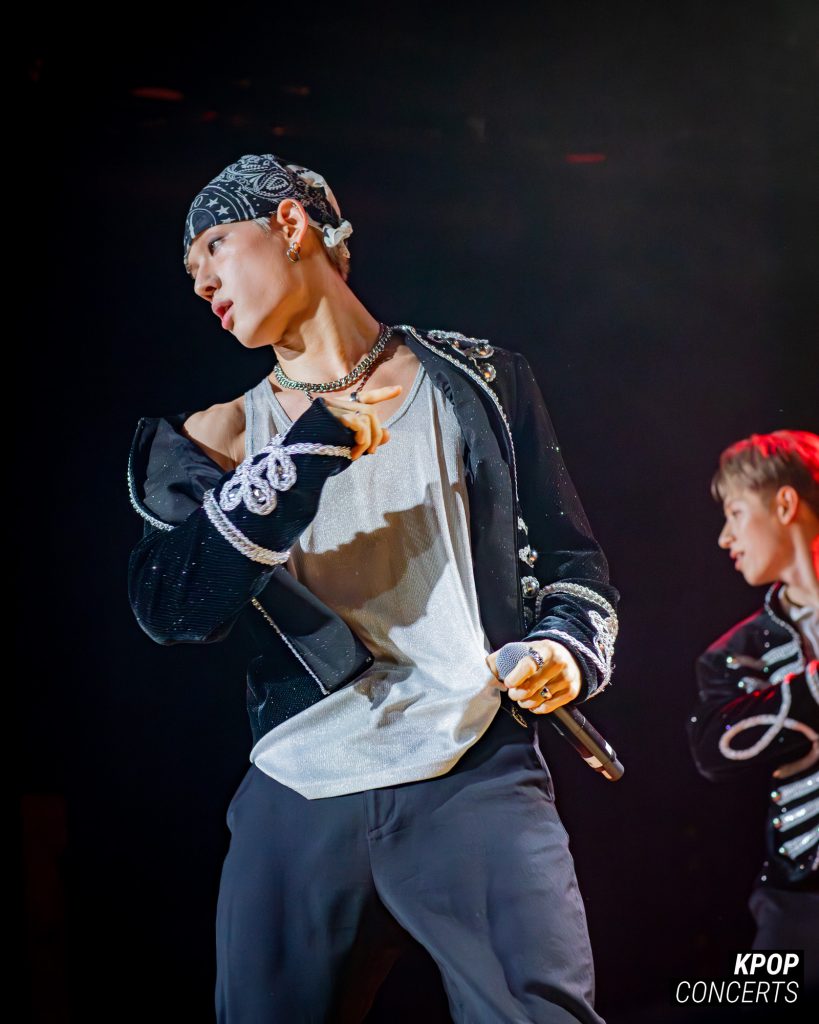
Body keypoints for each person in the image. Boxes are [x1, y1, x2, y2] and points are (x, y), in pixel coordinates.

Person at [126, 153, 620, 1023]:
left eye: (213, 246)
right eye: (191, 270)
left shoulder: (480, 381)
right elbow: (170, 607)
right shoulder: (218, 437)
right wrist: (302, 455)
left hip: (474, 771)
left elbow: (572, 566)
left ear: (289, 225)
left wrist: (562, 652)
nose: (201, 283)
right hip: (299, 787)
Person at [687, 430, 819, 994]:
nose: (725, 537)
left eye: (736, 513)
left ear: (785, 504)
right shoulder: (736, 653)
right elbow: (713, 748)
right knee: (752, 994)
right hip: (800, 899)